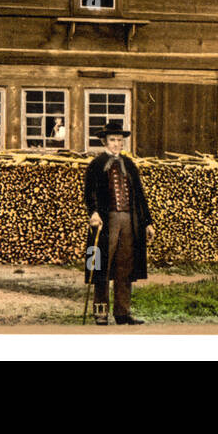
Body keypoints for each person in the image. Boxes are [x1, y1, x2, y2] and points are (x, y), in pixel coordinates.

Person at [83, 121, 154, 326]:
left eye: (120, 140)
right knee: (101, 265)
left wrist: (148, 222)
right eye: (113, 140)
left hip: (129, 221)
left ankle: (123, 313)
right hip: (107, 221)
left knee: (126, 267)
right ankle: (101, 312)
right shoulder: (96, 165)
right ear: (105, 141)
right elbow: (90, 192)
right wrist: (94, 213)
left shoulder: (130, 165)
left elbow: (140, 195)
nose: (116, 144)